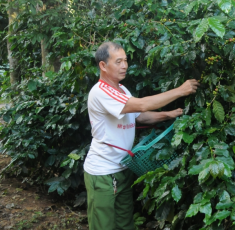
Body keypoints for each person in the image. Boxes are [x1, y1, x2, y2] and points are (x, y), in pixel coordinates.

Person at [83, 42, 200, 230]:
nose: (124, 66)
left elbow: (140, 115)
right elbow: (142, 105)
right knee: (103, 226)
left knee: (125, 224)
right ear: (103, 66)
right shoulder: (101, 91)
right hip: (102, 173)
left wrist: (168, 115)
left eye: (125, 61)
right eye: (118, 61)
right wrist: (180, 90)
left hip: (122, 168)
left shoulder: (121, 89)